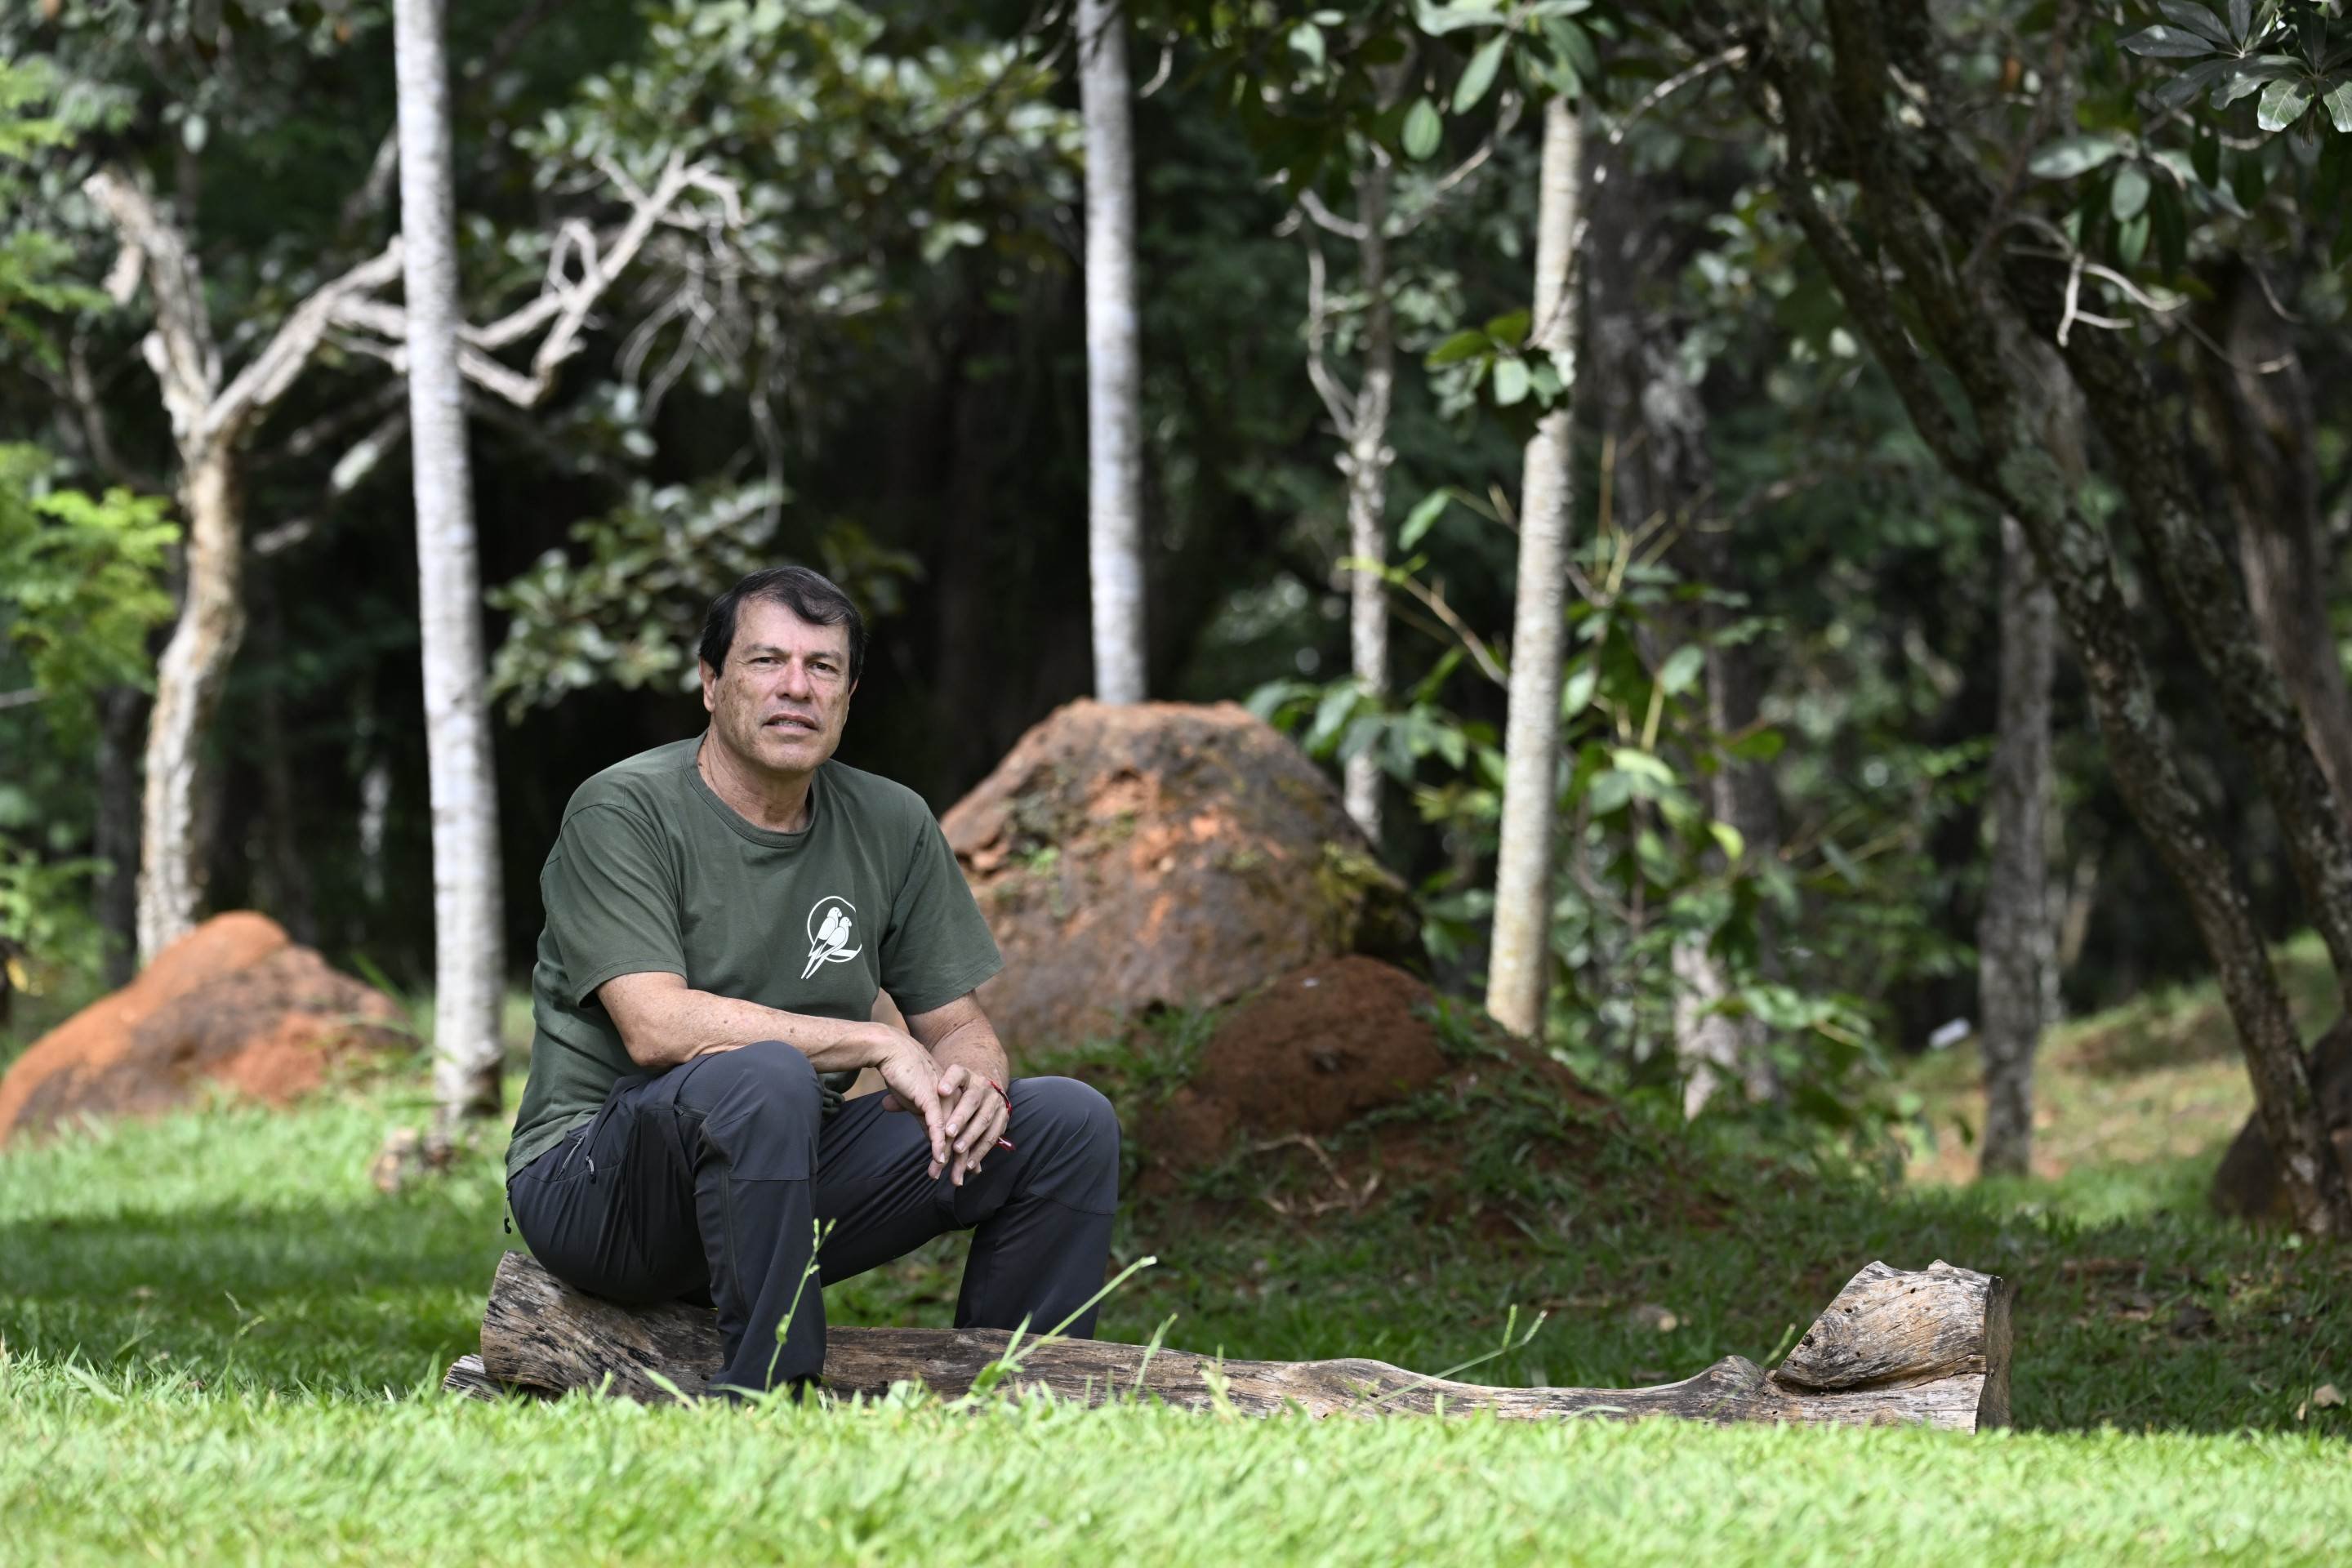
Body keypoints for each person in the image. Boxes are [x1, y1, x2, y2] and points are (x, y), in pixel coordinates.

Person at [504, 565, 1120, 1397]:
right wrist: (873, 1040)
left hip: (781, 1174)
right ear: (711, 684)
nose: (796, 688)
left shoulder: (891, 821)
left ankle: (1028, 1397)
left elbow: (959, 1025)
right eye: (765, 662)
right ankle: (769, 1395)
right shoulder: (622, 812)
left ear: (849, 693)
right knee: (765, 1075)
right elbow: (655, 1025)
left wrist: (978, 1080)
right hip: (601, 1192)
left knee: (1064, 1122)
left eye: (822, 667)